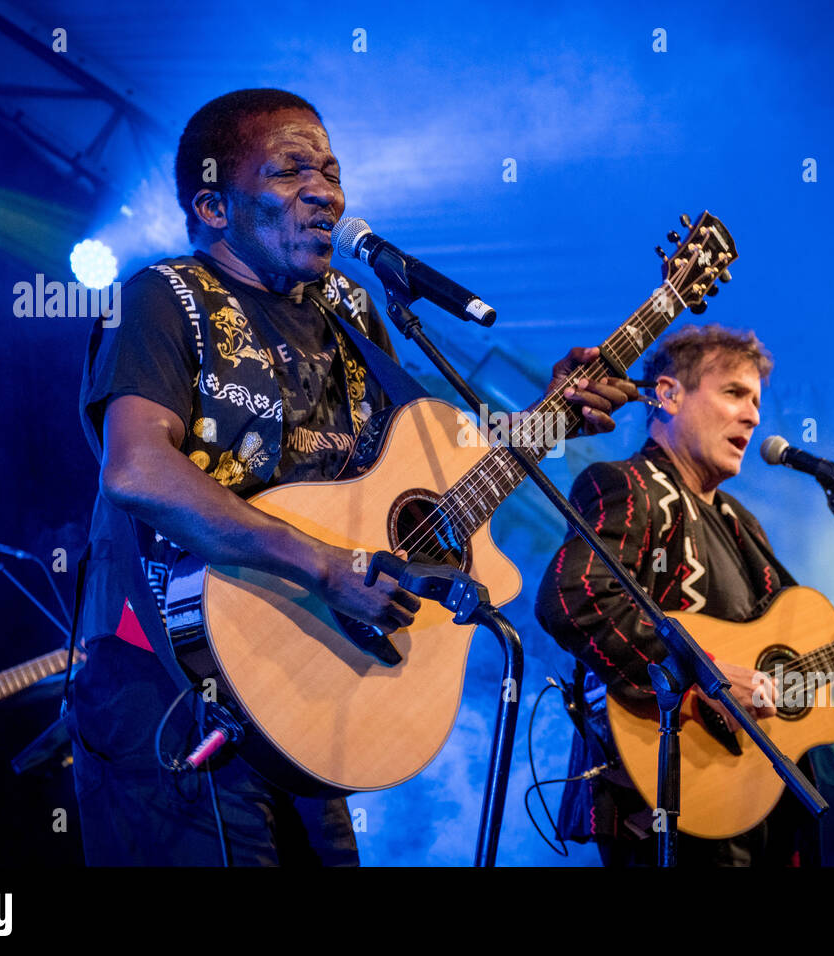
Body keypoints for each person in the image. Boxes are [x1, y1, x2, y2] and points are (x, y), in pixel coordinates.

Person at [68, 88, 636, 866]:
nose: (325, 191)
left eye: (331, 171)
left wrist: (546, 419)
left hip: (309, 694)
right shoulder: (164, 298)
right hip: (169, 698)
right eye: (290, 170)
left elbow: (423, 482)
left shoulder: (352, 312)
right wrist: (326, 565)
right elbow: (136, 469)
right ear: (214, 205)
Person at [535, 324, 834, 866]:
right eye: (734, 393)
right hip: (663, 794)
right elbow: (574, 595)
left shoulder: (742, 524)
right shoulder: (629, 485)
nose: (754, 416)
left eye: (757, 401)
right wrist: (704, 675)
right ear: (667, 394)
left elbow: (797, 667)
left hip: (754, 801)